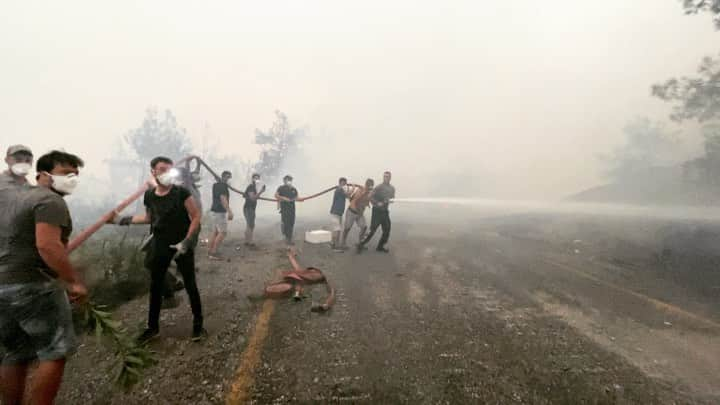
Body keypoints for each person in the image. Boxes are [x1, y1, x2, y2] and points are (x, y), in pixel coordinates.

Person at [0, 150, 88, 405]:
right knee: (54, 352)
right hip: (33, 286)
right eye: (65, 173)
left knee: (13, 353)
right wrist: (73, 281)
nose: (71, 178)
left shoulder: (13, 198)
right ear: (43, 174)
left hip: (2, 287)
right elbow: (48, 246)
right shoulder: (50, 201)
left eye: (75, 174)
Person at [111, 156, 205, 343]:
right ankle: (152, 328)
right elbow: (148, 218)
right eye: (162, 169)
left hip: (181, 243)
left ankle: (198, 325)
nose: (166, 173)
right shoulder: (150, 195)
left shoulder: (181, 193)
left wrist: (186, 242)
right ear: (153, 171)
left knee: (190, 284)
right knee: (155, 285)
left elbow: (195, 216)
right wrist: (121, 220)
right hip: (161, 242)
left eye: (169, 169)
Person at [357, 171, 395, 253]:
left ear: (390, 178)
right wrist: (377, 203)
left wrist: (390, 201)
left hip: (385, 212)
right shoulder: (379, 187)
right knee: (372, 230)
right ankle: (361, 244)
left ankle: (380, 246)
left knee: (387, 229)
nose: (386, 178)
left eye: (388, 176)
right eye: (385, 176)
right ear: (383, 177)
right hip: (377, 211)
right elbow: (369, 197)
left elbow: (392, 198)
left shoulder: (392, 188)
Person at [341, 178, 374, 250]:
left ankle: (360, 243)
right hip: (351, 212)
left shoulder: (370, 193)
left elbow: (371, 201)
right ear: (366, 185)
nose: (370, 188)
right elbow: (356, 202)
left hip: (359, 214)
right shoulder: (360, 190)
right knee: (347, 228)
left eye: (371, 186)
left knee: (364, 227)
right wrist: (364, 193)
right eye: (369, 186)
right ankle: (343, 243)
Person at [208, 171, 233, 260]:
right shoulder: (222, 186)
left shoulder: (216, 185)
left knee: (216, 232)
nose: (229, 179)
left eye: (230, 177)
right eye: (228, 177)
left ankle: (211, 251)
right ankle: (214, 253)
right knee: (223, 232)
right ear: (223, 177)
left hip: (215, 211)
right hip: (219, 212)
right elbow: (223, 199)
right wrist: (229, 211)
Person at [275, 175, 304, 246]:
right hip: (285, 209)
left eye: (290, 180)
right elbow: (276, 195)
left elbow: (297, 197)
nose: (289, 181)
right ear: (284, 180)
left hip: (292, 209)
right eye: (287, 179)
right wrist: (283, 198)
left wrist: (300, 199)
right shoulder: (281, 188)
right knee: (286, 224)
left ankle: (289, 238)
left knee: (291, 223)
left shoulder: (293, 189)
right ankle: (287, 240)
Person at [243, 173, 266, 247]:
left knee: (249, 225)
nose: (257, 180)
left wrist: (259, 193)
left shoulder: (253, 187)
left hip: (250, 208)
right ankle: (250, 241)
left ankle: (247, 241)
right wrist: (261, 192)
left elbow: (247, 196)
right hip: (249, 208)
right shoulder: (251, 187)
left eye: (258, 178)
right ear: (252, 179)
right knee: (251, 225)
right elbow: (253, 198)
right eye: (255, 178)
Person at [329, 177, 349, 252]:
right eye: (343, 183)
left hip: (339, 213)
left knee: (337, 230)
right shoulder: (339, 190)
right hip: (335, 213)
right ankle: (335, 247)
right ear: (340, 183)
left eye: (345, 183)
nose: (344, 185)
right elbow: (348, 195)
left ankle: (333, 243)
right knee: (337, 230)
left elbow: (346, 196)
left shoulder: (340, 190)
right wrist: (353, 187)